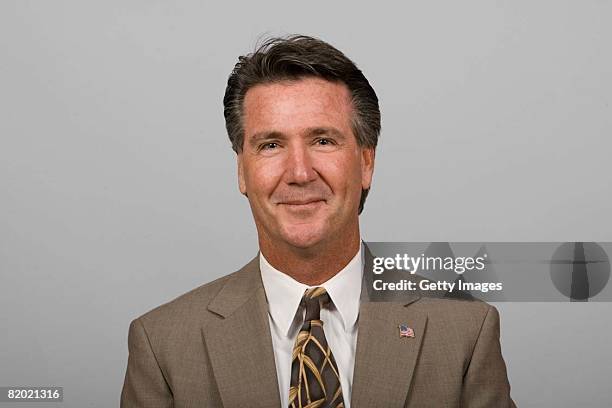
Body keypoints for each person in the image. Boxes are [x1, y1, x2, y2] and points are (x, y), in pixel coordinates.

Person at [120, 35, 516, 408]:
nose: (299, 172)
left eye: (322, 140)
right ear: (242, 171)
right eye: (271, 145)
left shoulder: (464, 332)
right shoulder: (163, 346)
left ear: (366, 162)